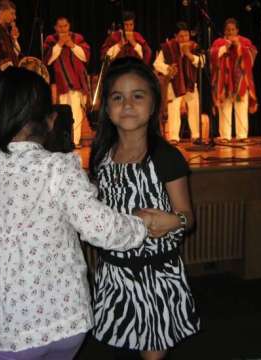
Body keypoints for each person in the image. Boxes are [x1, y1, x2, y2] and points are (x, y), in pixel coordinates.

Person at [0, 67, 161, 360]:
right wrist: (144, 223)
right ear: (52, 120)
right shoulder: (60, 168)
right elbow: (101, 229)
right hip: (67, 317)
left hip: (9, 325)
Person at [89, 57, 200, 359]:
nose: (127, 104)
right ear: (108, 110)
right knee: (122, 343)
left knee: (152, 352)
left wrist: (171, 220)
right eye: (117, 97)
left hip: (156, 275)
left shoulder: (166, 157)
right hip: (115, 273)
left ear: (153, 106)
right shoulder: (101, 156)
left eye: (138, 96)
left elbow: (188, 218)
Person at [154, 22, 204, 145]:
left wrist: (188, 54)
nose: (184, 39)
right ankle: (174, 137)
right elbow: (156, 64)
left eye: (186, 36)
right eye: (181, 36)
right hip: (175, 84)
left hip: (190, 83)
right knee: (174, 109)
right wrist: (168, 68)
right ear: (175, 36)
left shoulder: (194, 46)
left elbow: (201, 63)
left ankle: (196, 136)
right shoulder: (168, 47)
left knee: (194, 107)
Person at [44, 17, 90, 149]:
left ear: (69, 26)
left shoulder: (77, 38)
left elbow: (85, 56)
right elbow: (48, 60)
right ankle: (64, 141)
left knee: (76, 111)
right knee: (63, 112)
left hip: (78, 81)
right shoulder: (51, 40)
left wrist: (72, 45)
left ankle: (75, 142)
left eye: (65, 26)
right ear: (55, 28)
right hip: (61, 82)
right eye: (60, 26)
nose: (63, 29)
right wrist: (59, 44)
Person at [210, 18, 258, 144]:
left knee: (241, 107)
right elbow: (213, 55)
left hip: (241, 80)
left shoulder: (245, 41)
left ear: (237, 30)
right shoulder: (219, 42)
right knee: (225, 107)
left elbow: (251, 56)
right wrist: (225, 48)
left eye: (232, 29)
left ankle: (242, 135)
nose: (230, 32)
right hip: (224, 82)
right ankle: (225, 136)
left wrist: (239, 46)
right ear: (224, 30)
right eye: (227, 30)